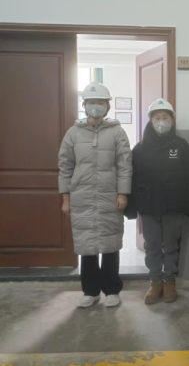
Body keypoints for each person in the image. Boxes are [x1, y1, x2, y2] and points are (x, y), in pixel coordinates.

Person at [58, 82, 132, 308]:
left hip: (110, 197)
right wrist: (66, 198)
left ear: (108, 106)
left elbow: (125, 165)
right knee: (86, 244)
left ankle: (112, 290)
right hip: (81, 197)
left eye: (100, 102)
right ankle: (90, 292)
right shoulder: (73, 133)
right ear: (84, 105)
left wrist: (123, 193)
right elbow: (65, 166)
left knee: (110, 243)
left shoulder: (117, 132)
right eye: (91, 102)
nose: (96, 106)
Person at [125, 98, 189, 305]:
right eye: (157, 117)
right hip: (148, 207)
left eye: (165, 117)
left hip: (174, 206)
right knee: (152, 246)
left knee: (171, 246)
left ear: (172, 120)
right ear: (150, 120)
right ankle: (155, 281)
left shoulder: (181, 146)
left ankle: (169, 281)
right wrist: (131, 207)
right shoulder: (140, 148)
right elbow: (131, 178)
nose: (161, 121)